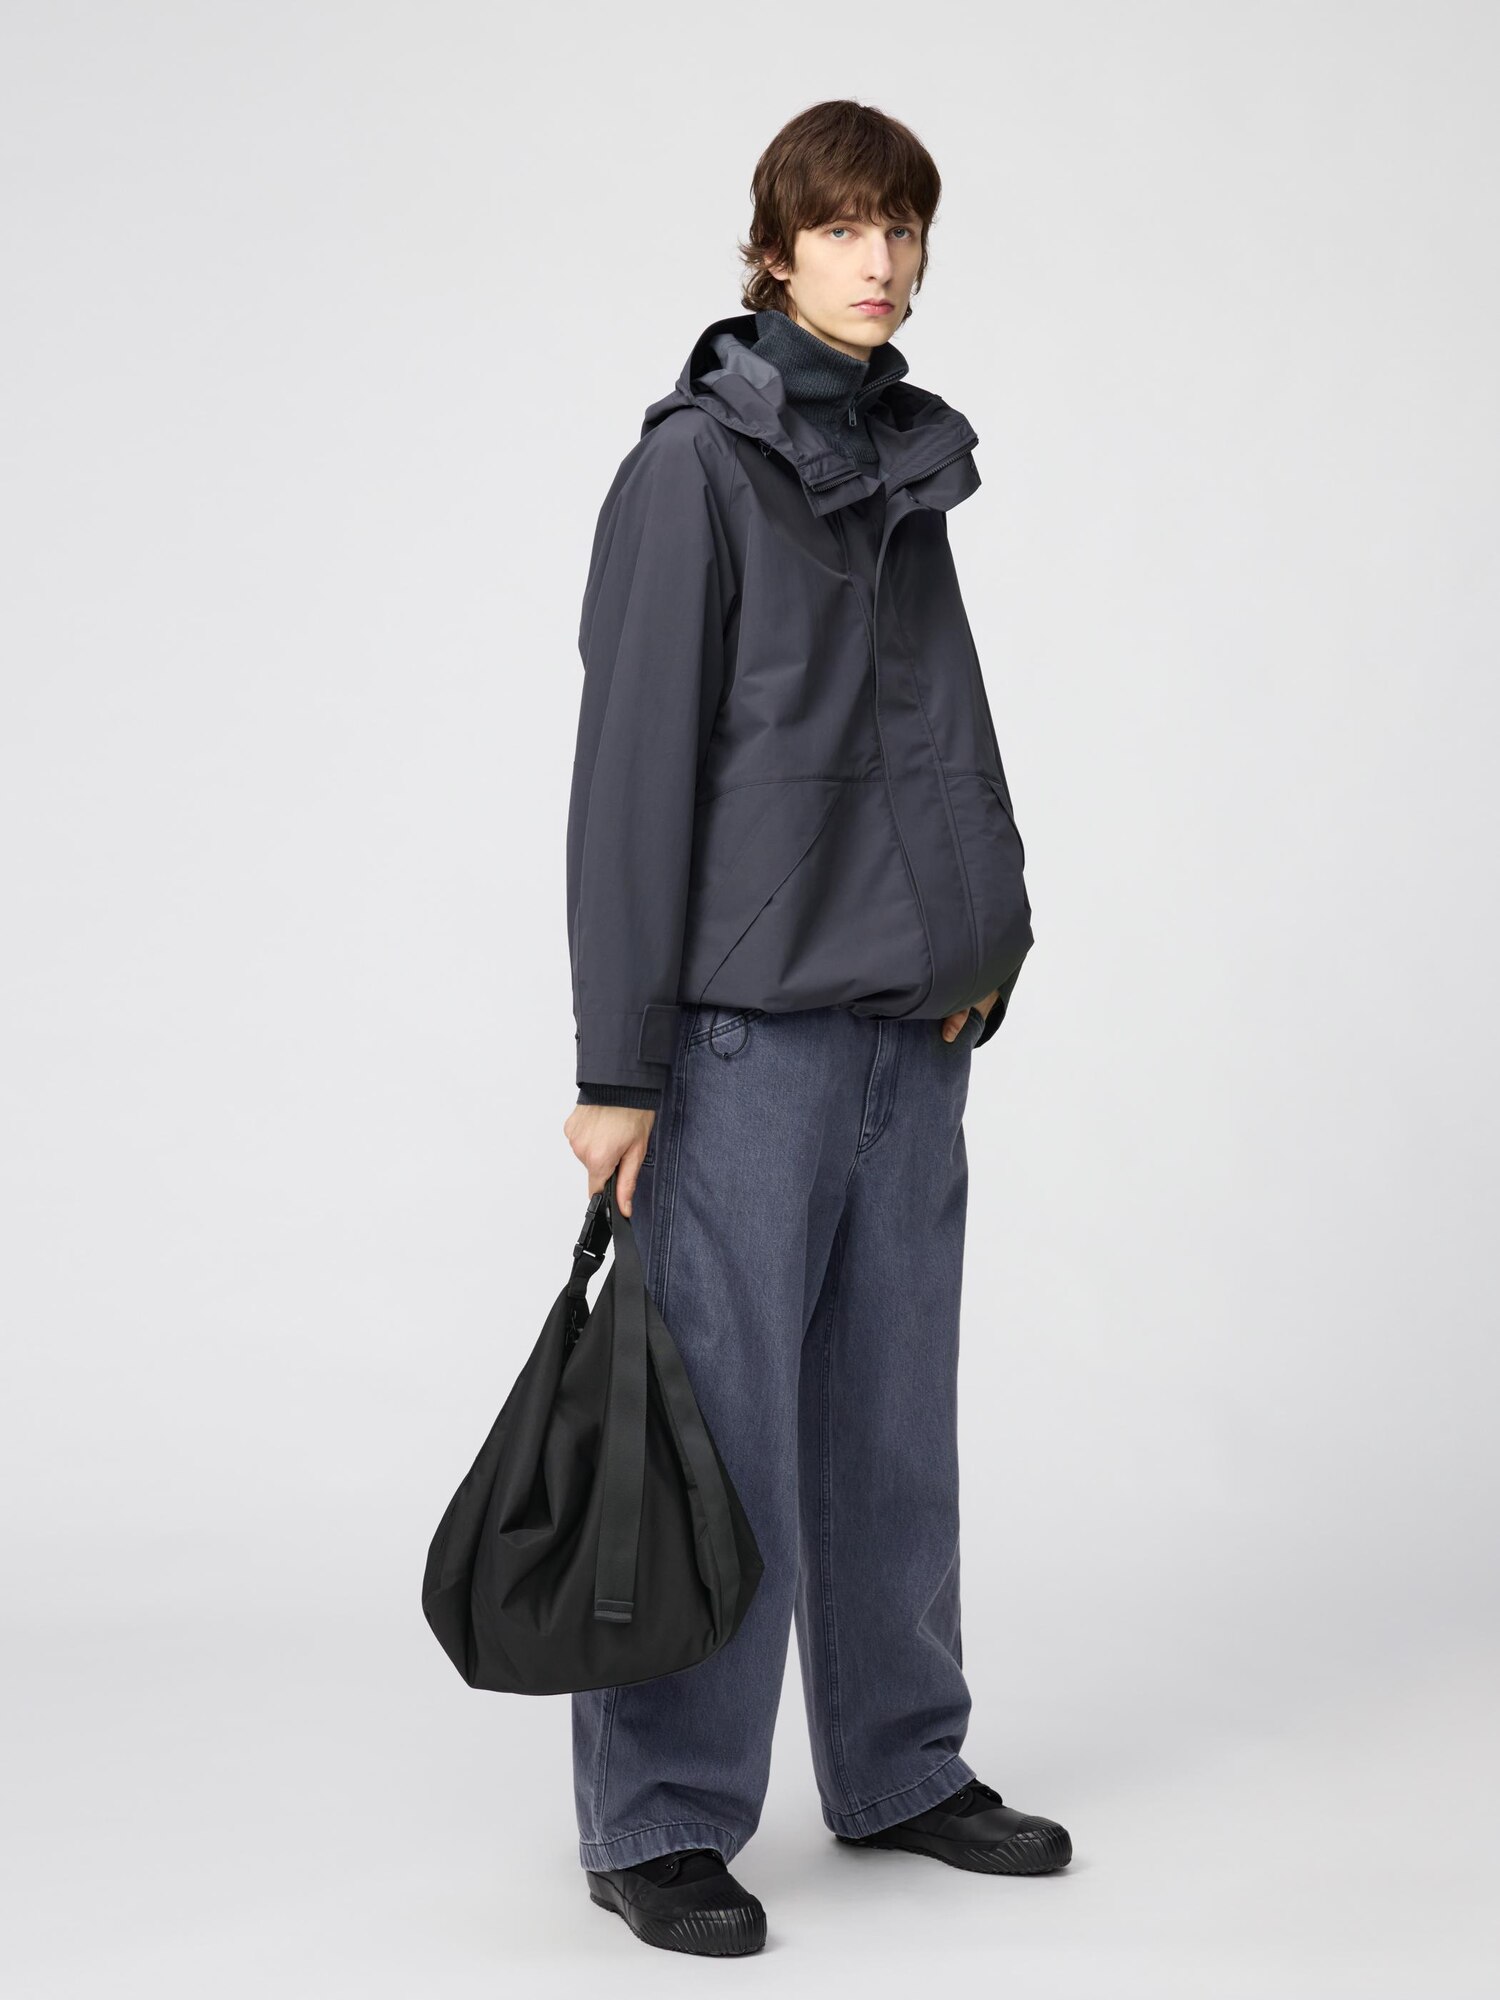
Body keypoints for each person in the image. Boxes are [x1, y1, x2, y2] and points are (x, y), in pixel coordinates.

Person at [561, 98, 1070, 1957]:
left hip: (907, 1039)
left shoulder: (901, 469)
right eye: (844, 227)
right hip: (742, 1045)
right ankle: (662, 1817)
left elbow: (944, 735)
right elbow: (629, 780)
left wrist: (989, 947)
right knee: (718, 1441)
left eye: (903, 228)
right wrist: (618, 1066)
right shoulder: (693, 474)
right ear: (773, 249)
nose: (880, 260)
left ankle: (901, 1764)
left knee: (890, 1428)